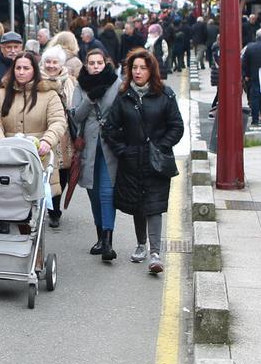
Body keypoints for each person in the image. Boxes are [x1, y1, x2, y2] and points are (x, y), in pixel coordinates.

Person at [102, 48, 183, 274]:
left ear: (151, 70)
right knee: (138, 204)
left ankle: (155, 253)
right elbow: (110, 128)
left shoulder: (165, 94)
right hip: (132, 159)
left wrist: (161, 146)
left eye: (143, 68)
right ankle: (141, 244)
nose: (138, 72)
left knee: (154, 205)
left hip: (157, 160)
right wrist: (123, 150)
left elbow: (177, 126)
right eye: (134, 68)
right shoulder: (124, 95)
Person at [0, 52, 67, 226]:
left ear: (34, 70)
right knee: (10, 204)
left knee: (32, 213)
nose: (21, 72)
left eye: (26, 68)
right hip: (7, 157)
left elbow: (58, 121)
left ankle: (32, 247)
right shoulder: (2, 93)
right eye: (18, 68)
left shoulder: (49, 94)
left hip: (38, 157)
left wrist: (47, 140)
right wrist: (0, 143)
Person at [73, 49, 121, 260]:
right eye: (91, 63)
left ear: (105, 63)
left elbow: (122, 111)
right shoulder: (80, 85)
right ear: (86, 65)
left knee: (106, 192)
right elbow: (75, 116)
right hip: (89, 147)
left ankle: (108, 242)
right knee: (93, 194)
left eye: (99, 62)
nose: (95, 66)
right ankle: (100, 237)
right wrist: (90, 99)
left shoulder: (116, 83)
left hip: (110, 145)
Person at [40, 46, 77, 229]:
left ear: (61, 64)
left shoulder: (70, 82)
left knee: (63, 171)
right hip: (43, 130)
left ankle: (55, 208)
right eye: (48, 61)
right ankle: (49, 209)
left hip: (66, 134)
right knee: (46, 169)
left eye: (55, 62)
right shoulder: (37, 80)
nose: (51, 65)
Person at [0, 31, 24, 102]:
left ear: (21, 48)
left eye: (16, 47)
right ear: (1, 48)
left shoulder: (27, 64)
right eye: (9, 47)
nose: (13, 51)